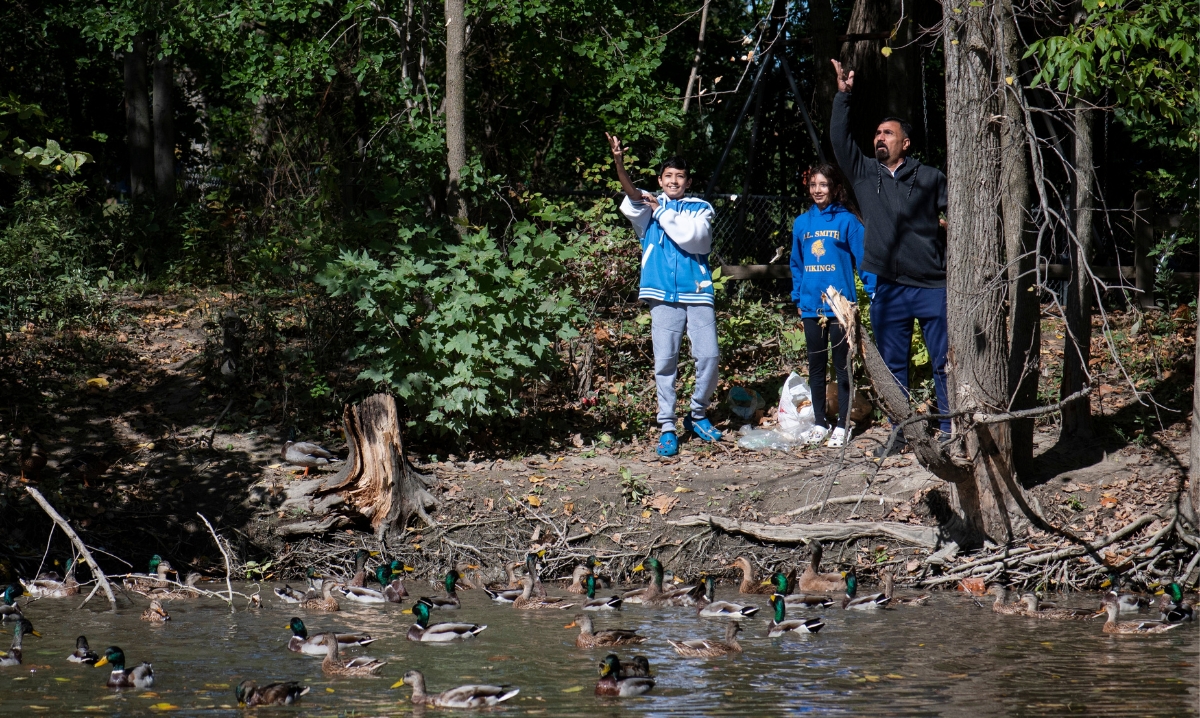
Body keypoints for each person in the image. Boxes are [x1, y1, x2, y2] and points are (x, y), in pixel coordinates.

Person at [829, 59, 950, 457]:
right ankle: (902, 434)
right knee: (894, 368)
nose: (879, 138)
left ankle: (950, 428)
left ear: (905, 143)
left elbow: (957, 219)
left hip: (932, 285)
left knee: (944, 362)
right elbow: (839, 139)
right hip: (889, 288)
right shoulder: (865, 173)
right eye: (877, 133)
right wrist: (843, 97)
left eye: (888, 133)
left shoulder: (930, 177)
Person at [606, 132, 721, 457]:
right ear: (660, 180)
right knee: (665, 362)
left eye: (679, 176)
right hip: (661, 293)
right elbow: (631, 193)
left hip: (697, 293)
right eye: (668, 176)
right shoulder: (648, 205)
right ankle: (667, 426)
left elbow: (695, 239)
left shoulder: (700, 208)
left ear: (688, 181)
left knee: (709, 356)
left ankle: (696, 414)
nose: (673, 181)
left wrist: (662, 213)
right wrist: (619, 162)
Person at [789, 164, 875, 448]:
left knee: (841, 366)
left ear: (835, 188)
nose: (817, 190)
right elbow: (796, 264)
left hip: (840, 308)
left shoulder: (848, 222)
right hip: (811, 307)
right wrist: (798, 298)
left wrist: (873, 291)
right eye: (813, 185)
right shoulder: (802, 223)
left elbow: (864, 261)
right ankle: (819, 422)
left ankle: (842, 424)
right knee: (816, 367)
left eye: (823, 185)